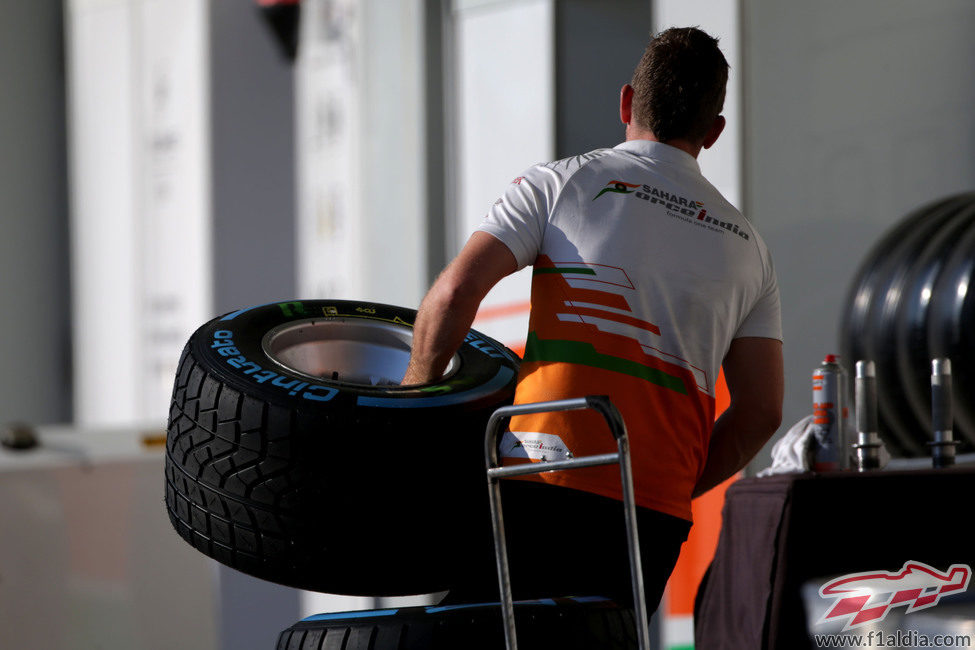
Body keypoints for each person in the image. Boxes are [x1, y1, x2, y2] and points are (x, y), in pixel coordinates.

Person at [403, 27, 784, 613]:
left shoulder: (560, 184)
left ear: (628, 102)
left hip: (542, 479)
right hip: (653, 510)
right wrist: (675, 486)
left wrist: (408, 411)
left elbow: (455, 292)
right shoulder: (749, 247)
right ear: (713, 133)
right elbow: (762, 410)